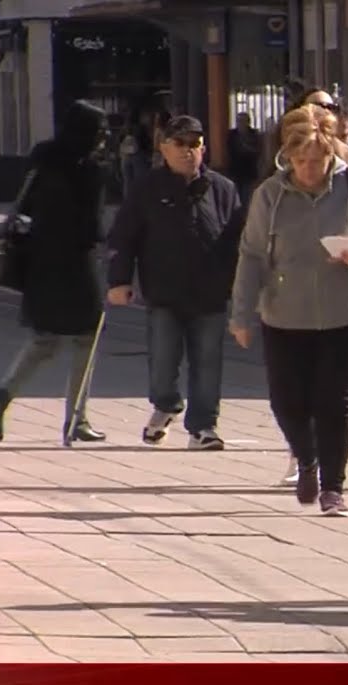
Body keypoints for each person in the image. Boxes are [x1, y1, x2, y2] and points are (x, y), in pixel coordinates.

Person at [229, 104, 348, 517]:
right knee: (287, 401)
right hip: (286, 312)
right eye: (299, 159)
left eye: (317, 159)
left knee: (334, 399)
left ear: (332, 152)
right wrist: (241, 313)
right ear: (286, 155)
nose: (308, 168)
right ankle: (305, 460)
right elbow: (251, 255)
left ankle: (333, 487)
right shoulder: (270, 194)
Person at [105, 116, 243, 450]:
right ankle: (165, 405)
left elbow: (241, 242)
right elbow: (124, 237)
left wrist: (244, 289)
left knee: (208, 361)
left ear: (203, 149)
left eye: (194, 144)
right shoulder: (147, 188)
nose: (187, 151)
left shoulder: (223, 189)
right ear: (163, 147)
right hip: (164, 292)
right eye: (179, 144)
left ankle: (203, 427)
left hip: (210, 293)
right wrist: (119, 280)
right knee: (164, 359)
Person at [0, 101, 111, 444]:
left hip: (40, 263)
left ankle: (1, 395)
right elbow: (92, 226)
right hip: (76, 264)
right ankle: (76, 418)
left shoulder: (43, 158)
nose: (103, 138)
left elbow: (23, 205)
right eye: (100, 131)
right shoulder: (90, 169)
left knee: (46, 337)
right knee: (88, 333)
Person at [228, 112, 262, 204]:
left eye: (243, 121)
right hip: (235, 170)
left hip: (249, 170)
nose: (240, 123)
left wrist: (247, 148)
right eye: (239, 121)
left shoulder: (254, 134)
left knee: (247, 196)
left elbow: (258, 150)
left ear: (248, 122)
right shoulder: (232, 135)